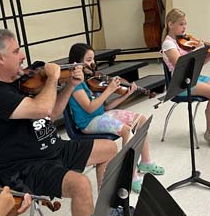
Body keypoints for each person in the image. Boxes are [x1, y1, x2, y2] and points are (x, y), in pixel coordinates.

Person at [0, 29, 118, 216]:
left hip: (53, 149)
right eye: (16, 51)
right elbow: (41, 106)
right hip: (26, 167)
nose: (22, 57)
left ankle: (101, 211)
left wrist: (70, 86)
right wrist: (53, 78)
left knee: (109, 149)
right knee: (80, 185)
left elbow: (50, 113)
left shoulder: (19, 82)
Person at [67, 43, 164, 193]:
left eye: (93, 59)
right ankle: (131, 176)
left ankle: (146, 162)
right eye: (88, 60)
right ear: (77, 63)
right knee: (126, 131)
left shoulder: (92, 80)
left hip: (101, 115)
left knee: (142, 119)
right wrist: (110, 89)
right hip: (88, 122)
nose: (92, 63)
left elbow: (106, 107)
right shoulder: (76, 86)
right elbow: (90, 108)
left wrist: (127, 95)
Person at [161, 8, 210, 149]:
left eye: (185, 24)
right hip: (180, 83)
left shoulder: (183, 41)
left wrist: (208, 56)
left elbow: (195, 66)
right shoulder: (168, 44)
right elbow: (180, 64)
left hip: (194, 76)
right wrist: (198, 50)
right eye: (181, 24)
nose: (185, 28)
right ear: (171, 24)